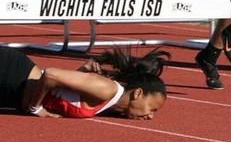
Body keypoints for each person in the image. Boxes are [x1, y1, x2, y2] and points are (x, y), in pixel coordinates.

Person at [0, 45, 168, 119]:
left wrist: (81, 73)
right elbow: (50, 75)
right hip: (11, 75)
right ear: (138, 93)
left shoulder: (110, 103)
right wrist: (36, 108)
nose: (150, 116)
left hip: (11, 93)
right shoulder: (107, 89)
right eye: (152, 108)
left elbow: (65, 94)